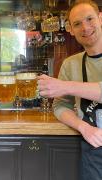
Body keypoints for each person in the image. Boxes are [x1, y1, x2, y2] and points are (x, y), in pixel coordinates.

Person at [38, 0, 102, 179]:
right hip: (93, 148)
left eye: (90, 19)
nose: (85, 27)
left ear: (101, 18)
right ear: (71, 30)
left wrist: (64, 86)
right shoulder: (70, 64)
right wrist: (84, 128)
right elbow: (60, 106)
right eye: (77, 24)